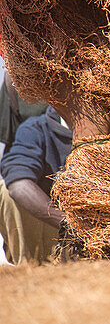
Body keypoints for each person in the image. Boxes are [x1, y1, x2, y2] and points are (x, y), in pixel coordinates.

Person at [0, 107, 71, 263]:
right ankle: (30, 264)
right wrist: (69, 224)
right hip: (52, 231)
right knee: (7, 190)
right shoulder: (36, 129)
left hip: (97, 238)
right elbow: (18, 184)